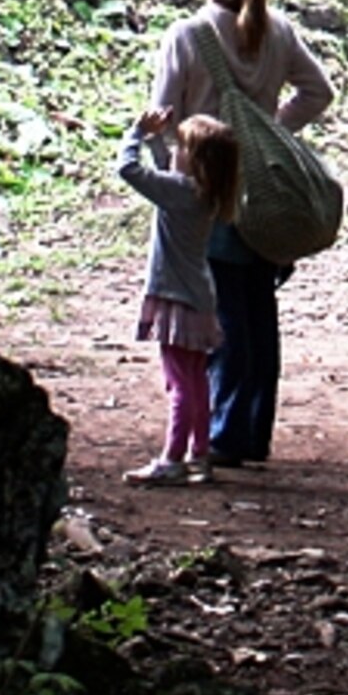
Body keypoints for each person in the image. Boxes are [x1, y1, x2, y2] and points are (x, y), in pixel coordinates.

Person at [151, 0, 334, 466]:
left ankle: (223, 435)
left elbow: (163, 115)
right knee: (256, 309)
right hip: (263, 188)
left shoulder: (187, 35)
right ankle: (250, 431)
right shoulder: (277, 31)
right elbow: (318, 91)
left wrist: (186, 158)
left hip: (205, 191)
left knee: (217, 314)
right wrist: (271, 131)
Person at [116, 106, 240, 486]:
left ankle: (171, 459)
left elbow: (129, 171)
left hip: (175, 299)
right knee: (198, 381)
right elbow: (166, 174)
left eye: (181, 146)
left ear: (195, 160)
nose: (175, 150)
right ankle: (198, 455)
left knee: (178, 384)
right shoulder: (202, 193)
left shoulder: (180, 193)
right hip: (200, 299)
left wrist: (135, 134)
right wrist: (158, 140)